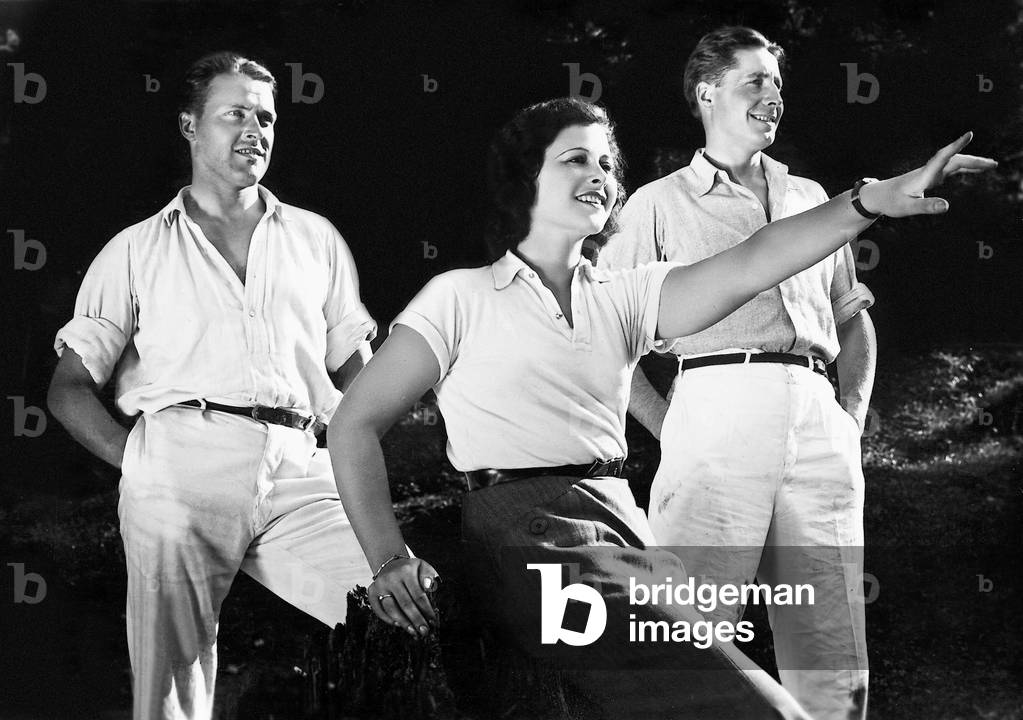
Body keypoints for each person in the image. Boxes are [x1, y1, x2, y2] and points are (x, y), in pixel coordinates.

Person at [328, 97, 992, 718]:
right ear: (524, 176)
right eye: (575, 158)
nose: (599, 173)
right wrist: (389, 559)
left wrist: (870, 201)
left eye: (607, 162)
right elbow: (354, 424)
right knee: (749, 708)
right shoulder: (460, 297)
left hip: (623, 526)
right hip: (526, 531)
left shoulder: (624, 295)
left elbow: (754, 261)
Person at [46, 52, 375, 720]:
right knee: (172, 694)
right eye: (236, 114)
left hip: (300, 467)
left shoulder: (315, 240)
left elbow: (359, 371)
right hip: (180, 461)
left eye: (267, 116)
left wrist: (364, 441)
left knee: (395, 605)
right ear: (190, 126)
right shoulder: (135, 249)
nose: (255, 129)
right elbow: (70, 386)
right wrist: (138, 460)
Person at [597, 26, 877, 718]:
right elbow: (605, 335)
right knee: (692, 631)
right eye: (753, 81)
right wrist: (671, 426)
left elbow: (850, 319)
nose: (771, 96)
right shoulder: (655, 205)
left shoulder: (815, 198)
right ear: (705, 92)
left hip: (818, 417)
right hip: (714, 402)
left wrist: (850, 420)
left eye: (777, 84)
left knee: (833, 651)